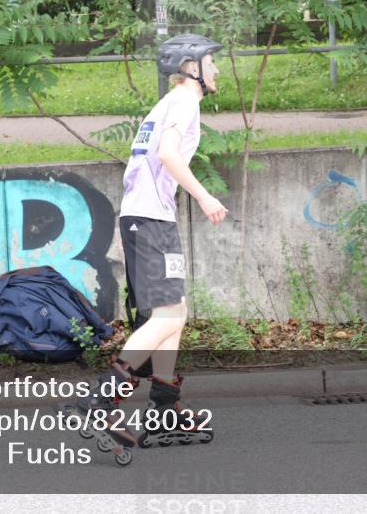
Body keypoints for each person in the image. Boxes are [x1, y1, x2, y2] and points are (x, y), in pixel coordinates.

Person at [77, 34, 228, 449]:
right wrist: (205, 195)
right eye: (210, 62)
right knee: (167, 317)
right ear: (190, 67)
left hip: (147, 219)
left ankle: (164, 403)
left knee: (173, 312)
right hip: (149, 220)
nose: (216, 70)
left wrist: (132, 224)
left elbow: (139, 165)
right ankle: (104, 399)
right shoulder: (183, 102)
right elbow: (167, 154)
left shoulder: (166, 104)